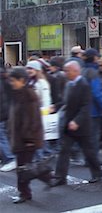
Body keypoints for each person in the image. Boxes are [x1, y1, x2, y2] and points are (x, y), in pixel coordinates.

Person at [51, 61, 102, 186]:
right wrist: (56, 106)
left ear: (76, 71)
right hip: (69, 124)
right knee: (64, 150)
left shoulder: (84, 85)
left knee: (88, 151)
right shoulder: (69, 84)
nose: (65, 73)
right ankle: (60, 177)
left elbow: (86, 106)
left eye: (67, 71)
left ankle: (97, 173)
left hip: (81, 125)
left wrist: (77, 121)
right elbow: (66, 102)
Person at [8, 67, 52, 203]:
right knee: (26, 167)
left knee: (23, 169)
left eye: (13, 80)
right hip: (21, 138)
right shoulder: (18, 93)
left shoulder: (28, 95)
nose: (11, 83)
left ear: (22, 80)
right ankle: (47, 177)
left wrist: (29, 140)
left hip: (26, 140)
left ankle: (25, 193)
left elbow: (31, 120)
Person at [82, 48, 102, 159]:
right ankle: (93, 158)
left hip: (84, 108)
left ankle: (88, 157)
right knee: (94, 136)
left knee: (87, 135)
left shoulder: (82, 71)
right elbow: (96, 92)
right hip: (94, 109)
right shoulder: (93, 73)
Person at [0, 65, 15, 172]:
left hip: (2, 112)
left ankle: (10, 158)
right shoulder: (5, 77)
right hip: (6, 111)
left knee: (2, 136)